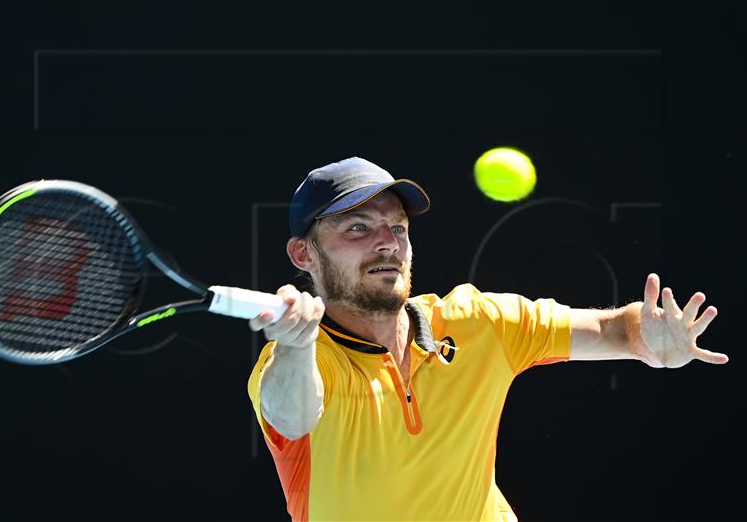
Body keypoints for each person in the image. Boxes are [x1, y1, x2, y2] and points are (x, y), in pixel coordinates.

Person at [247, 157, 727, 522]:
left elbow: (613, 329)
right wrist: (295, 344)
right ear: (303, 254)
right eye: (357, 228)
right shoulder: (299, 362)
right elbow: (294, 415)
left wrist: (646, 338)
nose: (388, 242)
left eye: (398, 227)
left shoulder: (481, 322)